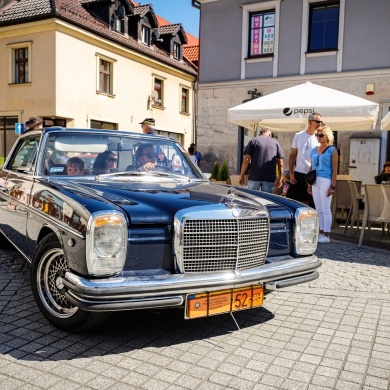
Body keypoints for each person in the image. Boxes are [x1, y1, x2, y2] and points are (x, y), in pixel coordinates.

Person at [307, 126, 338, 243]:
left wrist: (333, 186)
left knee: (325, 208)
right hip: (315, 180)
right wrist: (309, 184)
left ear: (327, 136)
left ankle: (326, 234)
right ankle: (320, 232)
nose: (319, 137)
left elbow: (335, 170)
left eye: (321, 135)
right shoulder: (314, 150)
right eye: (317, 135)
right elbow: (311, 167)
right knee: (318, 209)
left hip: (326, 180)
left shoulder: (332, 150)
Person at [286, 113, 322, 206]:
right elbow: (293, 154)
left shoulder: (319, 137)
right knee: (292, 201)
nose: (320, 124)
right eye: (318, 121)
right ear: (310, 122)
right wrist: (291, 173)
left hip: (313, 175)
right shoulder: (299, 135)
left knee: (311, 204)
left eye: (321, 122)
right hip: (299, 173)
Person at [238, 128, 284, 193]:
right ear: (269, 134)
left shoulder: (253, 141)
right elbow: (280, 163)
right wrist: (280, 178)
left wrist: (241, 175)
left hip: (254, 176)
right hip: (269, 178)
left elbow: (247, 159)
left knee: (252, 199)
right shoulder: (275, 143)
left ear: (260, 134)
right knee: (266, 200)